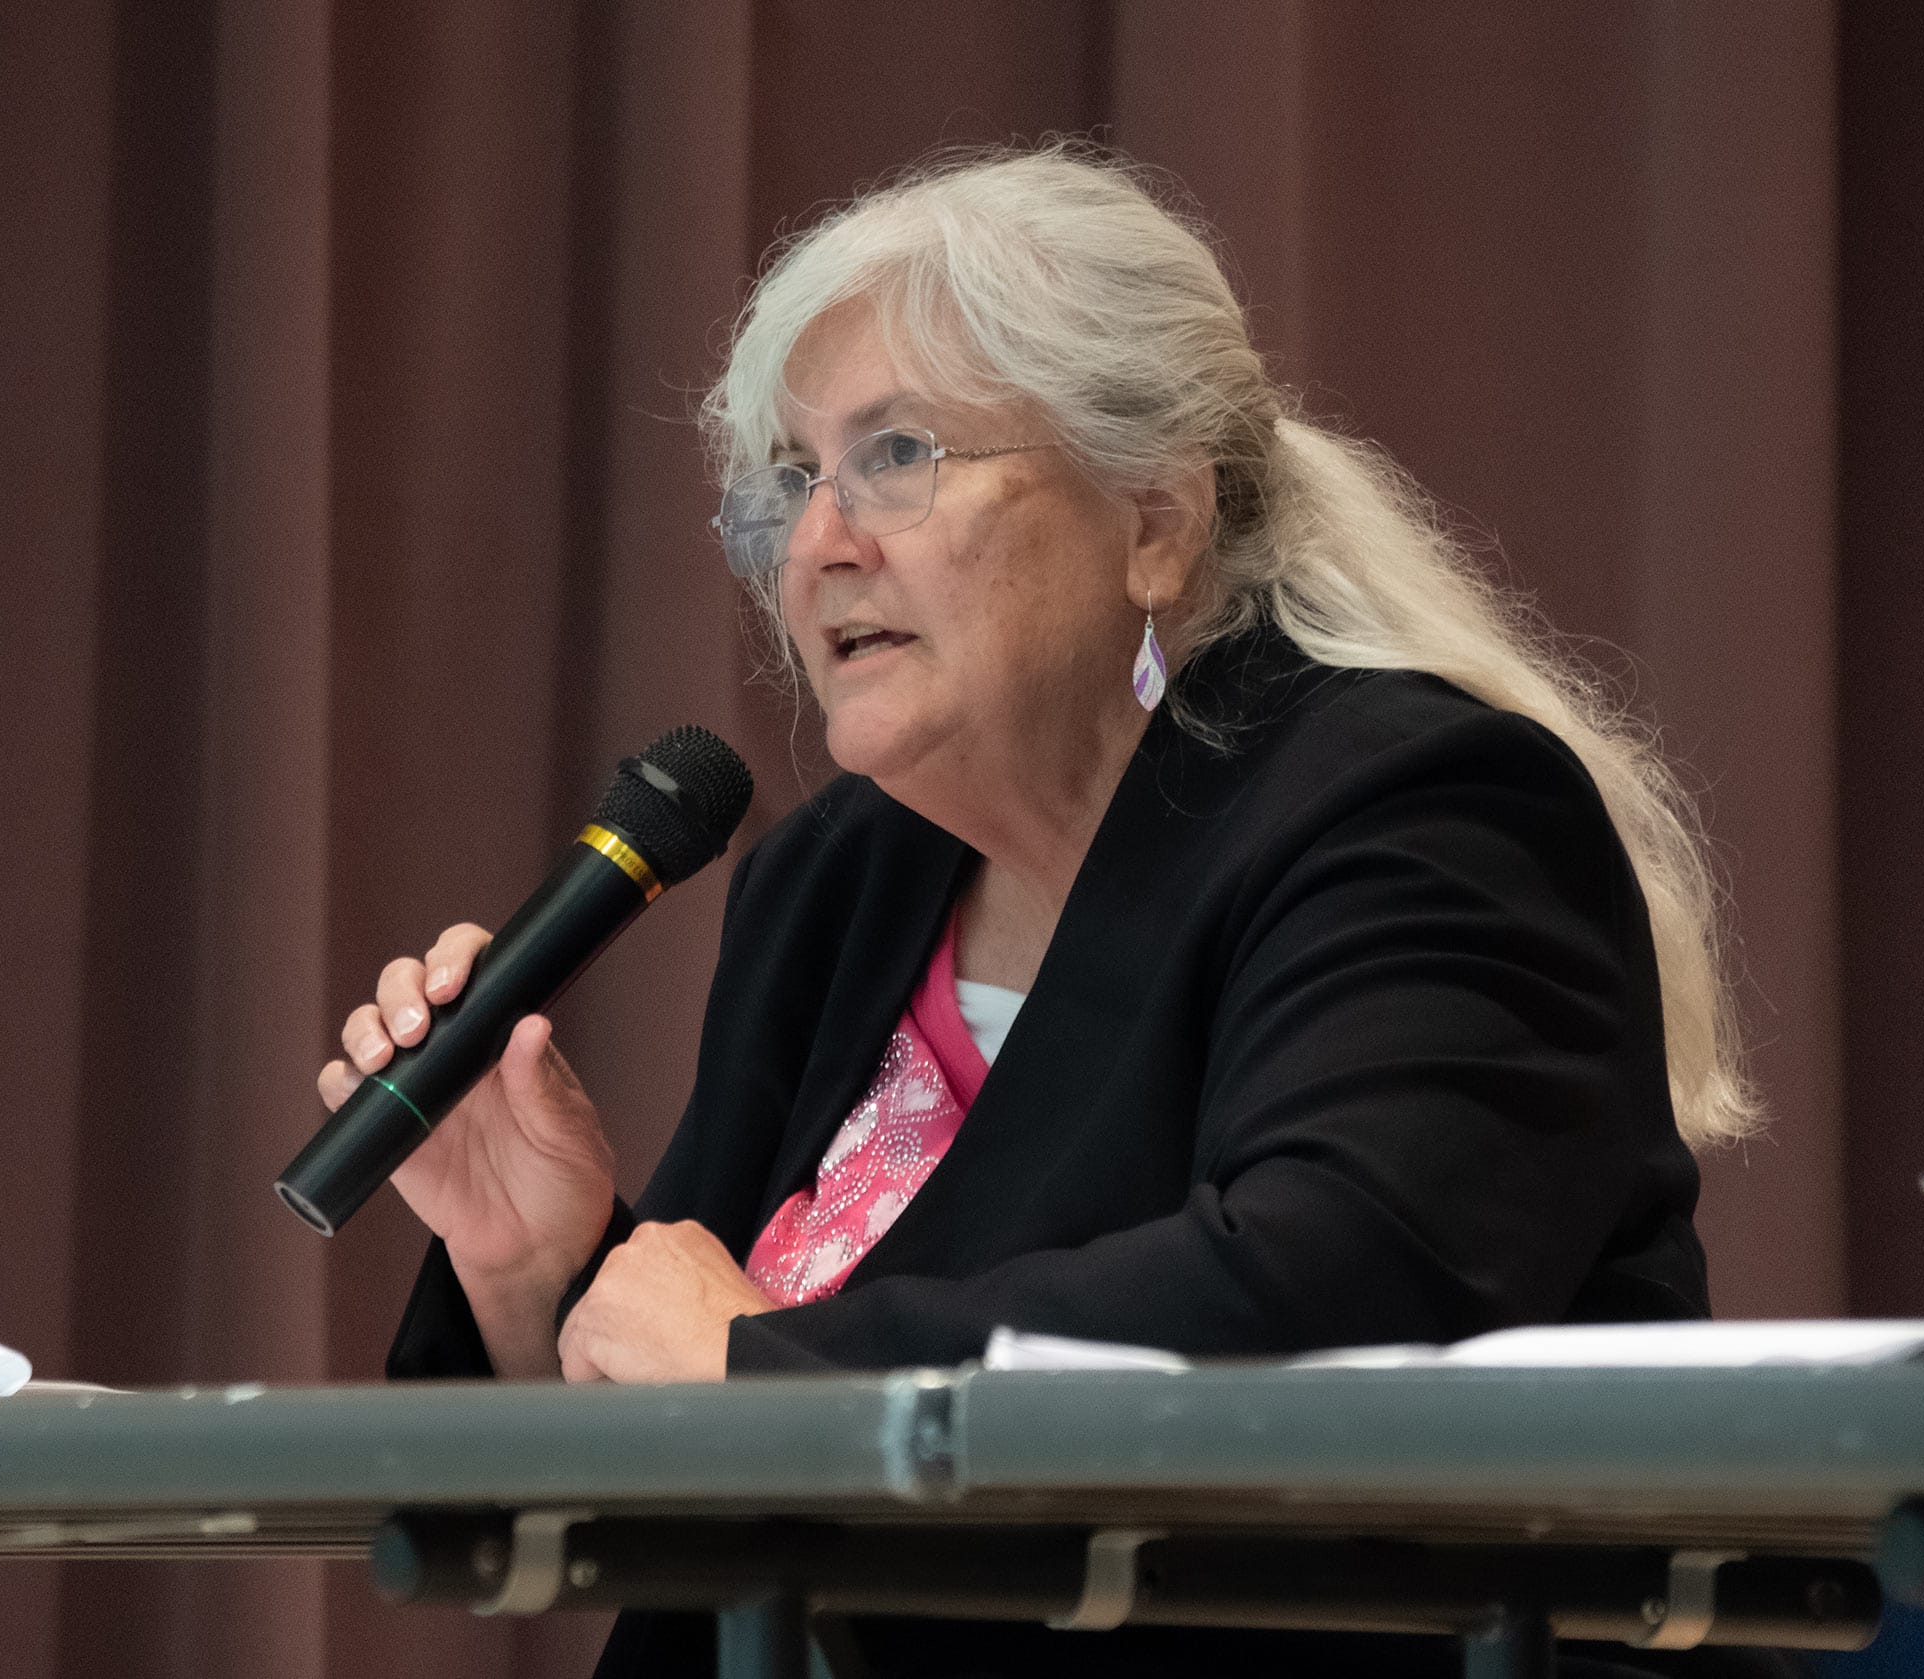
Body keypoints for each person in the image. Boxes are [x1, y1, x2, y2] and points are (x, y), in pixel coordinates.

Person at [329, 147, 1773, 1677]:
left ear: (1153, 518)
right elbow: (670, 1443)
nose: (824, 541)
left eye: (898, 453)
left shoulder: (1423, 812)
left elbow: (1335, 1297)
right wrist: (534, 1263)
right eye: (793, 480)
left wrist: (766, 1364)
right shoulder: (837, 882)